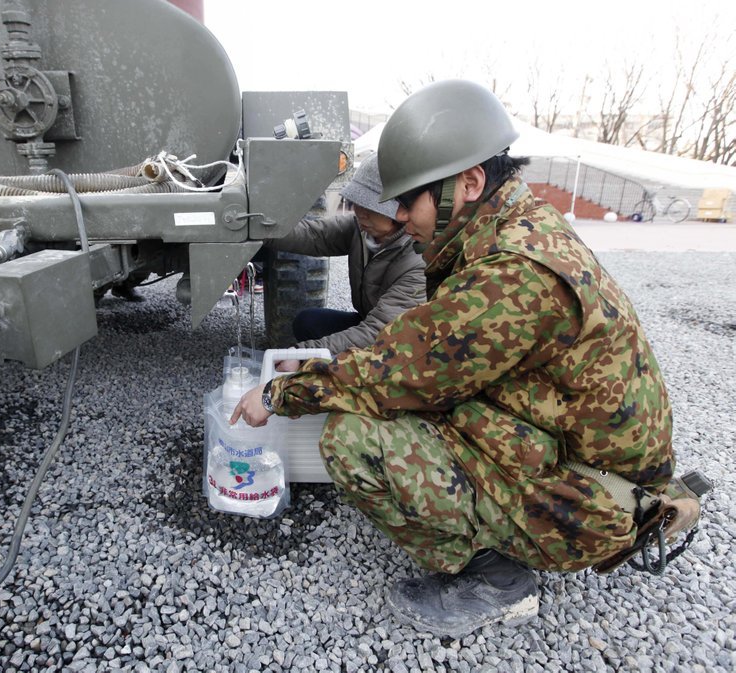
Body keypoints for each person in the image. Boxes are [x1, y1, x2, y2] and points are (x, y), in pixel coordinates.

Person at [231, 79, 676, 637]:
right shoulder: (519, 228)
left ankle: (498, 579)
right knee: (409, 404)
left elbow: (394, 373)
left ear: (468, 184)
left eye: (408, 200)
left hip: (591, 503)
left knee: (353, 438)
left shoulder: (513, 273)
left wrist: (278, 393)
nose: (398, 216)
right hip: (588, 468)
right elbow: (428, 364)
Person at [269, 154, 425, 362]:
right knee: (308, 322)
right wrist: (260, 231)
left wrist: (302, 353)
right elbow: (314, 235)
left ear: (401, 210)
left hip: (400, 343)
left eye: (370, 206)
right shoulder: (361, 228)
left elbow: (379, 332)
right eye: (357, 202)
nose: (360, 212)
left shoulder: (417, 259)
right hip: (370, 320)